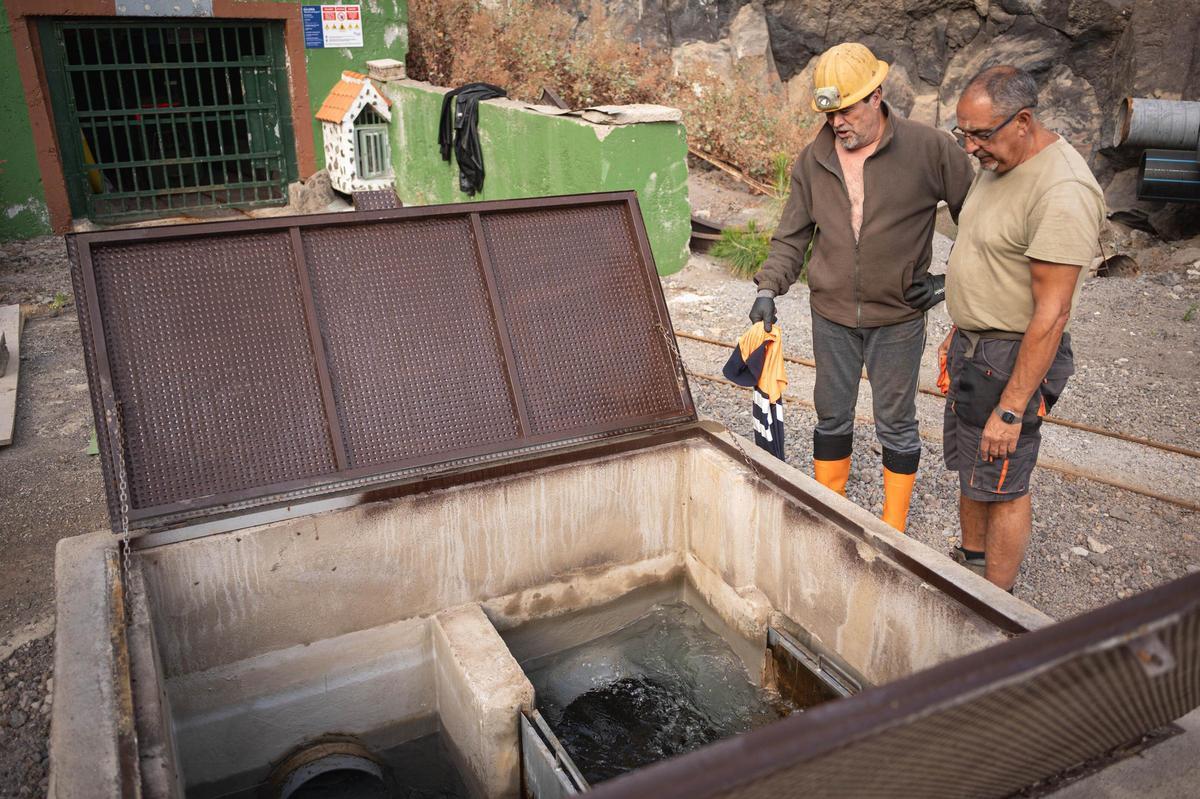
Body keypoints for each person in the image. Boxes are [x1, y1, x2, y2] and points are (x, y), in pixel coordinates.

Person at [749, 42, 974, 532]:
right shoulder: (815, 159)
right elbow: (792, 235)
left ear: (876, 95)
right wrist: (768, 287)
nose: (837, 123)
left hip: (898, 317)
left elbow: (980, 223)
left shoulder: (930, 149)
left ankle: (894, 529)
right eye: (829, 114)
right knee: (831, 417)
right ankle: (830, 513)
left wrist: (946, 284)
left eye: (846, 109)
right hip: (831, 315)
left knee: (896, 420)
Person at [940, 65, 1104, 590]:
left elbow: (1052, 314)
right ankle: (971, 567)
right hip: (977, 346)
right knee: (973, 465)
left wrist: (1011, 409)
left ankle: (996, 605)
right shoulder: (999, 160)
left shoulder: (1062, 189)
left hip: (1013, 358)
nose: (970, 147)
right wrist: (962, 326)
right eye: (962, 132)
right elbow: (987, 253)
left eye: (980, 134)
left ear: (1024, 121)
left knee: (1003, 477)